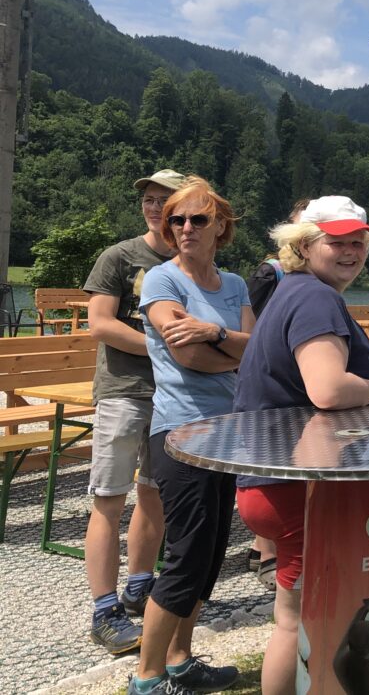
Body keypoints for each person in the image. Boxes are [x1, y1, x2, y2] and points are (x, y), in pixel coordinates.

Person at [233, 195, 369, 695]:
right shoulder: (316, 298)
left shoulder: (293, 291)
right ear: (304, 243)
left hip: (273, 480)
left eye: (359, 241)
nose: (351, 250)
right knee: (304, 620)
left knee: (290, 617)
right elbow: (328, 389)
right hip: (301, 486)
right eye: (337, 241)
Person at [129, 177, 254, 695]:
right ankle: (147, 677)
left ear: (220, 226)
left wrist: (215, 332)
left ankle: (180, 660)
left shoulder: (236, 286)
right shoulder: (161, 281)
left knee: (211, 551)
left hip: (227, 432)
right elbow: (185, 354)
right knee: (185, 556)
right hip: (181, 433)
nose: (183, 227)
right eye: (174, 219)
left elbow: (257, 350)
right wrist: (226, 348)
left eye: (196, 219)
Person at [82, 168, 185, 654]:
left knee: (154, 494)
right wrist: (164, 345)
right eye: (148, 197)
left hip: (173, 395)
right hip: (124, 390)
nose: (153, 205)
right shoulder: (120, 256)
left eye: (164, 199)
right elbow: (100, 324)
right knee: (109, 496)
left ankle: (139, 583)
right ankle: (104, 610)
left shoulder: (190, 260)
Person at [242, 197, 310, 591]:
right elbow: (254, 326)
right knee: (270, 465)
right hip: (273, 385)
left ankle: (263, 549)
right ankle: (268, 554)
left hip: (301, 386)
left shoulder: (314, 283)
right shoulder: (271, 273)